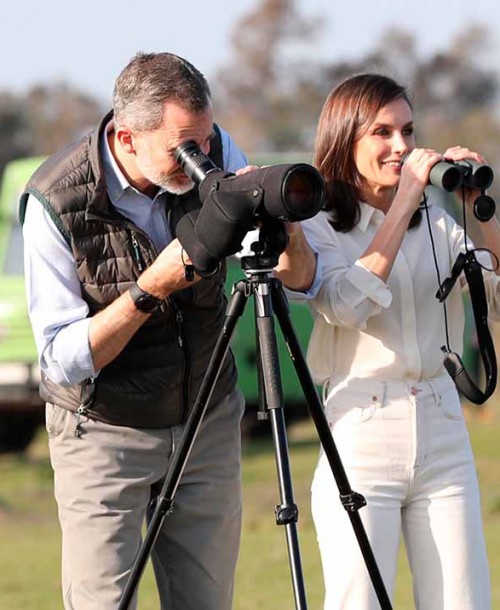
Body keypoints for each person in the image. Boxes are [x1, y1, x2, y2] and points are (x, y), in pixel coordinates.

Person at [20, 52, 316, 610]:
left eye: (205, 141)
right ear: (127, 138)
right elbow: (61, 358)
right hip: (106, 431)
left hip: (206, 416)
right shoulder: (55, 201)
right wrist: (148, 289)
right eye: (183, 147)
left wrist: (285, 229)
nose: (200, 159)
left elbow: (296, 278)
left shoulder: (218, 152)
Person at [291, 73, 500, 609]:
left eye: (407, 130)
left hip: (442, 424)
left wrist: (479, 212)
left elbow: (495, 299)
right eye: (382, 133)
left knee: (465, 602)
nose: (402, 146)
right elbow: (345, 304)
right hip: (361, 426)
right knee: (359, 601)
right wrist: (404, 200)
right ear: (345, 140)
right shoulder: (317, 225)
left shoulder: (436, 218)